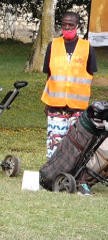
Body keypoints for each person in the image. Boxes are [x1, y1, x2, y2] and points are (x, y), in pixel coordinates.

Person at [41, 11, 97, 196]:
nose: (66, 28)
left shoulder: (87, 48)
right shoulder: (53, 45)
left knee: (78, 145)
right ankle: (51, 177)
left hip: (78, 107)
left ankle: (77, 177)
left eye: (70, 25)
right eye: (64, 25)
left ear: (78, 27)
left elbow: (90, 75)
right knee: (54, 142)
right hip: (55, 105)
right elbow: (49, 74)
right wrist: (48, 103)